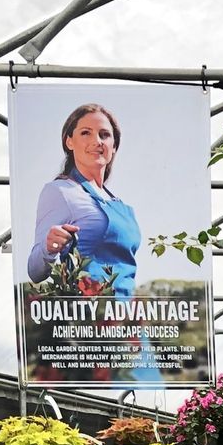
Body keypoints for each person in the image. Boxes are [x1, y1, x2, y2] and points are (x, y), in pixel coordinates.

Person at [25, 102, 162, 382]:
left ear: (114, 146)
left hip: (128, 322)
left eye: (104, 135)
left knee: (144, 404)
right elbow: (35, 269)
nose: (96, 142)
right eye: (86, 133)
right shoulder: (60, 191)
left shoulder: (120, 203)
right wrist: (50, 248)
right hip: (89, 326)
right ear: (69, 141)